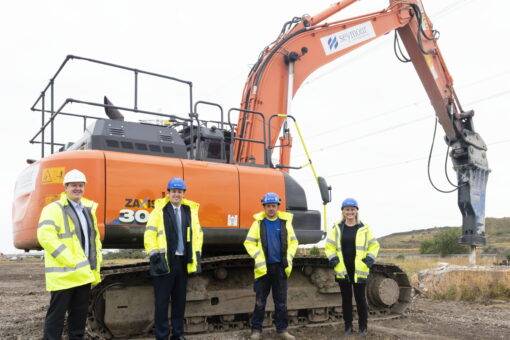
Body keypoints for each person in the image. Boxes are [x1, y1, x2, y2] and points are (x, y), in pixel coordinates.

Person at [37, 169, 102, 340]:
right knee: (56, 318)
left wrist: (94, 267)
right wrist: (70, 259)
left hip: (82, 274)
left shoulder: (87, 210)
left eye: (80, 185)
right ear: (65, 187)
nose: (77, 188)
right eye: (74, 185)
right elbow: (45, 236)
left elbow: (93, 241)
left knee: (78, 319)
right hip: (64, 274)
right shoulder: (53, 209)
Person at [144, 177, 203, 340]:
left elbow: (198, 235)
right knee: (162, 303)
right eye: (173, 191)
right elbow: (149, 234)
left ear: (184, 193)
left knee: (179, 301)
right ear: (168, 193)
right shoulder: (159, 211)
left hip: (182, 262)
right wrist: (155, 255)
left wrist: (196, 256)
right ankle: (162, 336)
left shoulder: (188, 211)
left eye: (180, 191)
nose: (176, 194)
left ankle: (178, 334)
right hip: (165, 262)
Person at [244, 192, 299, 340]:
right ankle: (256, 330)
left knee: (281, 302)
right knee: (260, 302)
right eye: (268, 206)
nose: (271, 209)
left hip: (280, 268)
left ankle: (282, 330)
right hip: (264, 269)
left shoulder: (285, 223)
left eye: (273, 206)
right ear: (264, 207)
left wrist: (289, 256)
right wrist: (257, 256)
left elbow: (294, 242)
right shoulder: (258, 224)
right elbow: (248, 243)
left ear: (277, 207)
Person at [324, 198, 380, 335]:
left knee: (361, 300)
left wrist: (369, 259)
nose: (350, 212)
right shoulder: (337, 228)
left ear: (356, 211)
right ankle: (348, 327)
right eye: (347, 209)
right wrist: (334, 260)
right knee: (346, 300)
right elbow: (329, 246)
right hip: (343, 270)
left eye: (352, 209)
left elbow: (374, 245)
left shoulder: (364, 228)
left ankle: (363, 327)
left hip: (359, 270)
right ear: (343, 212)